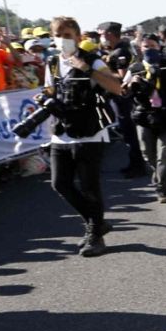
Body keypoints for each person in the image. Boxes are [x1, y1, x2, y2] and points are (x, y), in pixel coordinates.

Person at [36, 17, 127, 256]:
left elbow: (117, 87)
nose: (62, 39)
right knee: (60, 183)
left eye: (67, 35)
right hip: (62, 132)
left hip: (89, 132)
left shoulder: (92, 60)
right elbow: (50, 89)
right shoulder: (53, 63)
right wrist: (45, 98)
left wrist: (86, 69)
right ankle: (96, 222)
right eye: (58, 34)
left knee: (89, 187)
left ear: (78, 37)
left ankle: (95, 236)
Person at [124, 33, 166, 203]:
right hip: (145, 116)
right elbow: (123, 91)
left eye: (153, 46)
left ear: (159, 47)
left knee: (164, 154)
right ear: (140, 48)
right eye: (146, 46)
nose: (150, 49)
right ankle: (159, 172)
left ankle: (162, 188)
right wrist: (131, 83)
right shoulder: (135, 68)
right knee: (147, 152)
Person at [96, 22, 148, 178]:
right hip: (121, 97)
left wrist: (103, 74)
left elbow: (123, 76)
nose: (100, 38)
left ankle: (138, 166)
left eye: (101, 34)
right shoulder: (117, 50)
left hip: (125, 97)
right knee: (128, 132)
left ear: (109, 34)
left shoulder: (120, 52)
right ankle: (135, 163)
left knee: (130, 132)